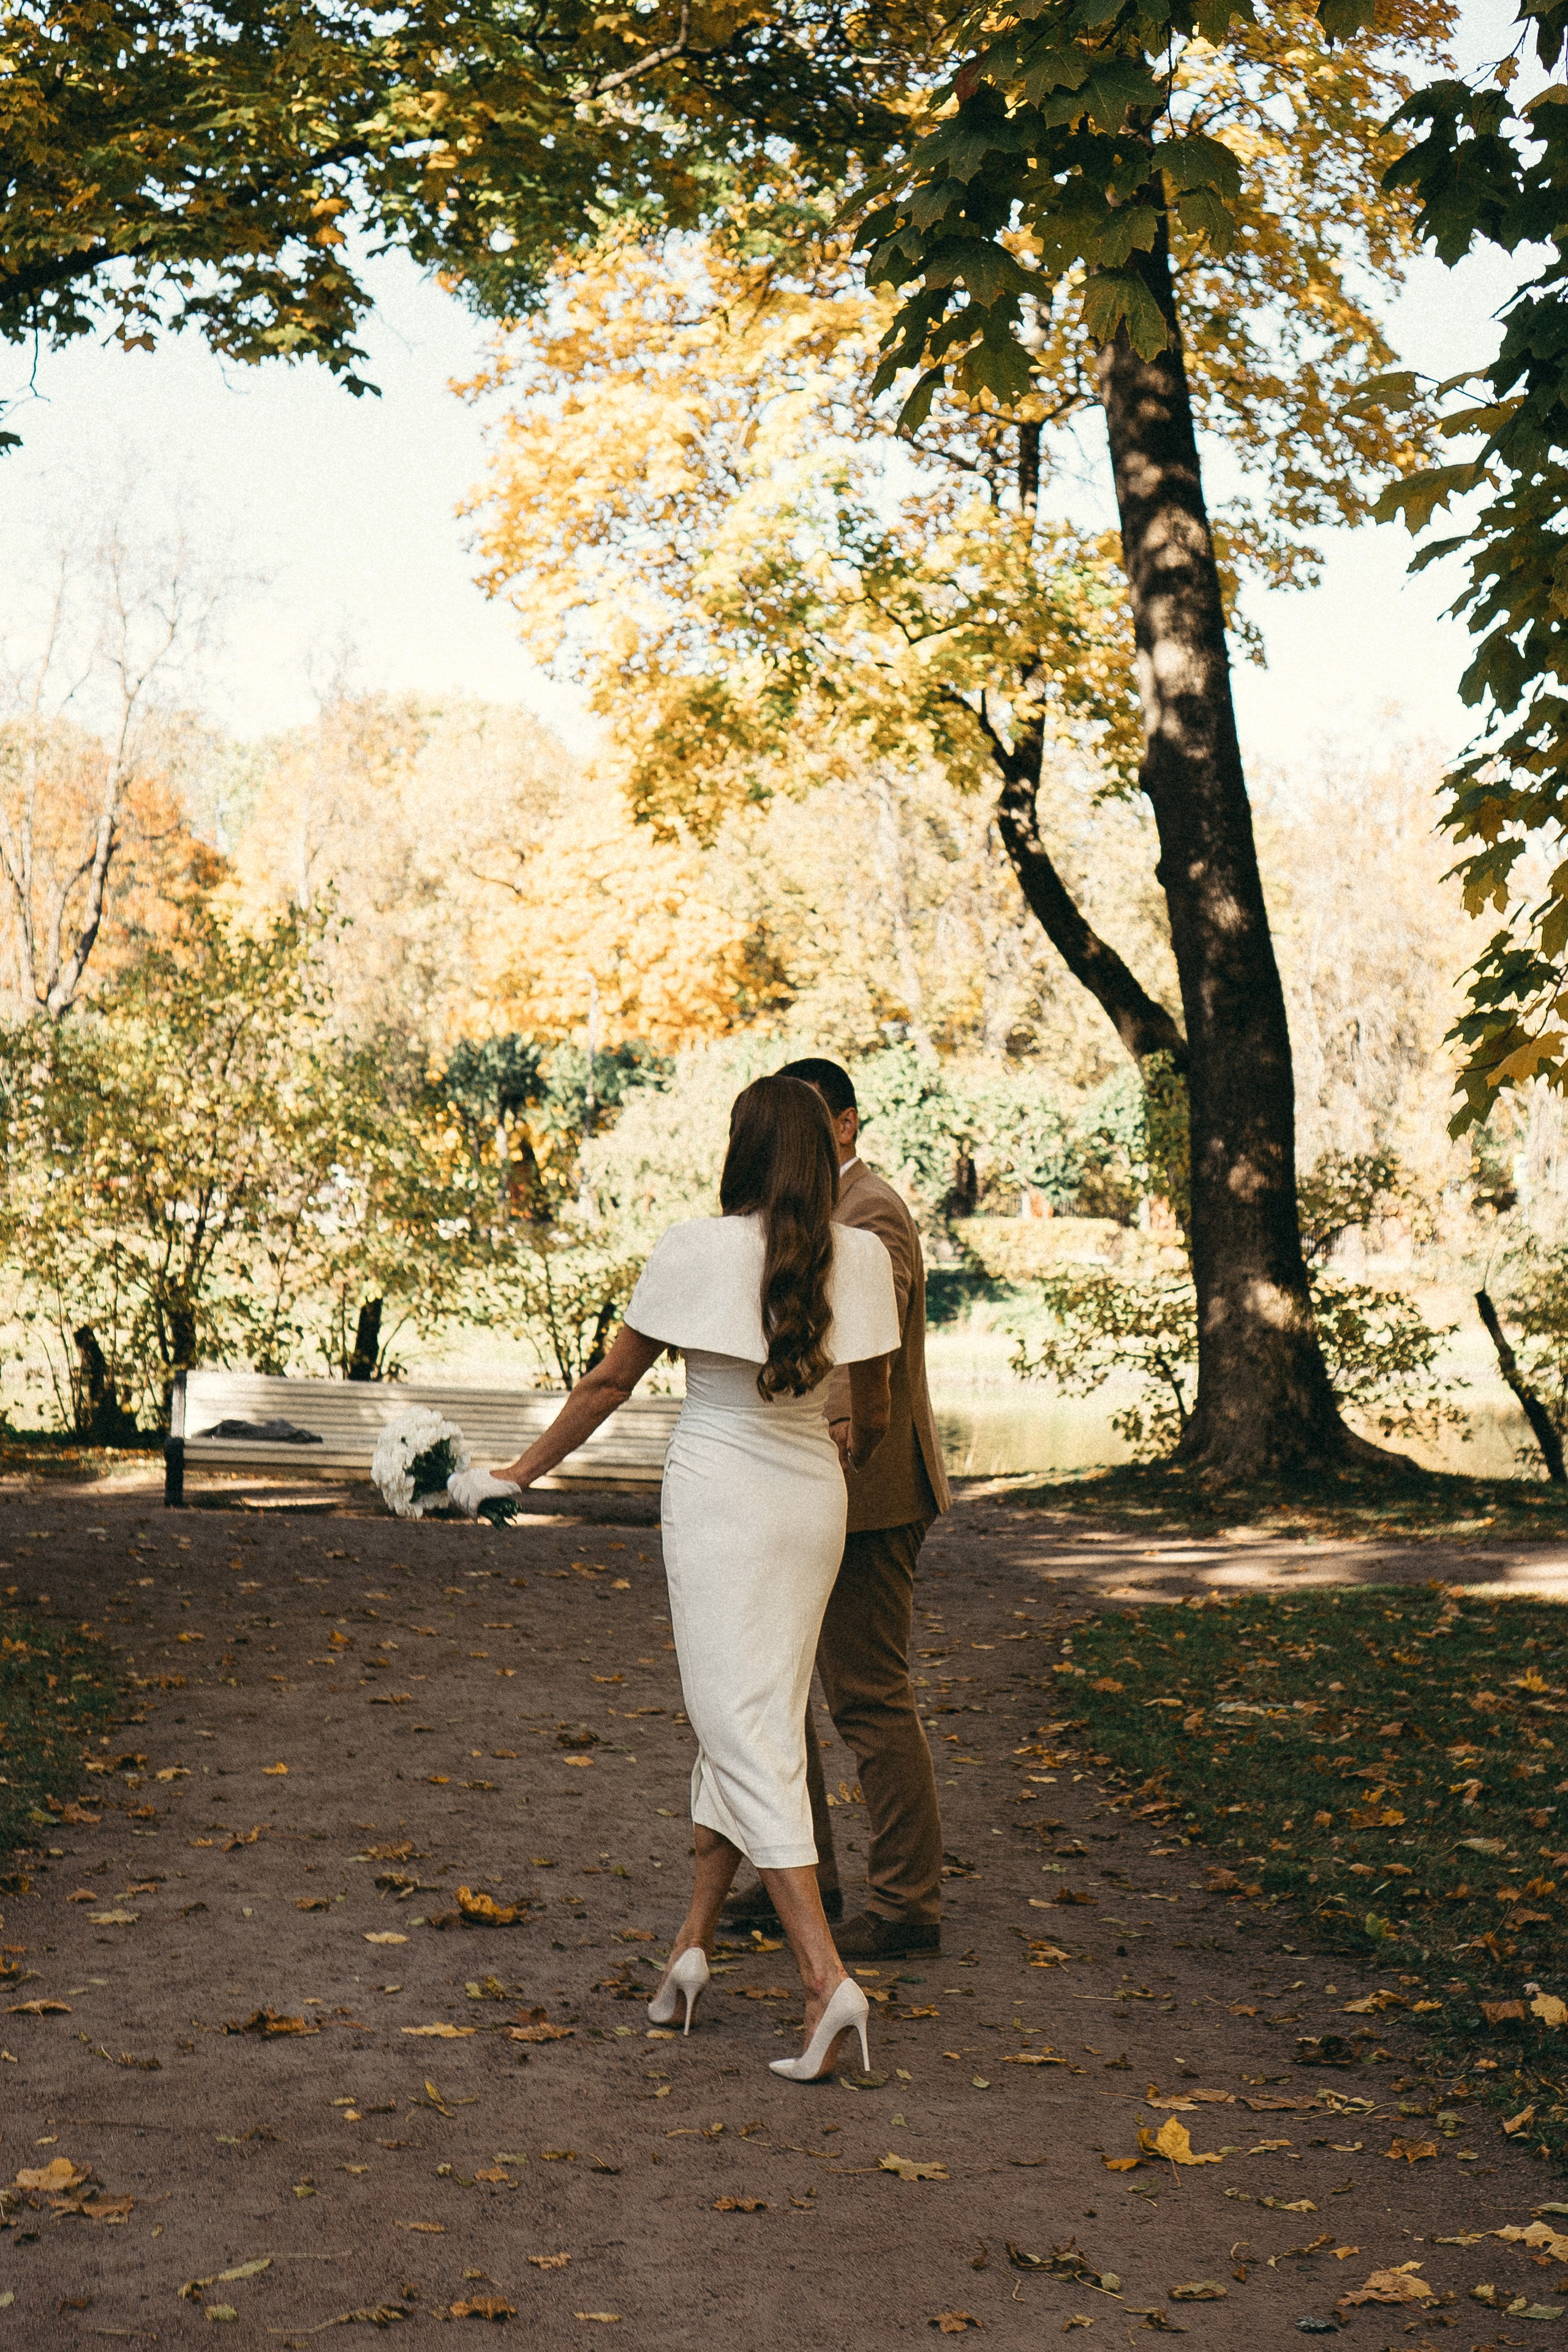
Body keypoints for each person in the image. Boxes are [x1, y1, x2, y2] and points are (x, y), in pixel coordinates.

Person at [494, 1074, 899, 2082]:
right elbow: (875, 1418)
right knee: (753, 1714)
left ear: (743, 1150)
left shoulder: (693, 1248)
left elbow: (607, 1384)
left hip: (718, 1494)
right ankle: (691, 1948)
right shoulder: (864, 1258)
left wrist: (517, 1473)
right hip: (812, 1499)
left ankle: (822, 1978)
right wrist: (821, 1452)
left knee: (740, 1722)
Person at [723, 1056, 951, 1960]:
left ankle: (906, 1904)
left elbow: (871, 1341)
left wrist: (845, 1430)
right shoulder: (805, 1218)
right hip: (805, 1487)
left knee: (867, 1697)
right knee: (780, 1692)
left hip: (871, 1491)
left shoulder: (873, 1210)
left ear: (846, 1127)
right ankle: (801, 1877)